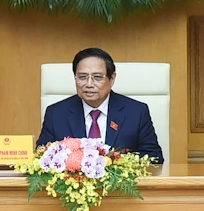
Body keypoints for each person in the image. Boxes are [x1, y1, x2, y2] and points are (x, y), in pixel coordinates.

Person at [36, 48, 164, 162]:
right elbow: (42, 157)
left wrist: (117, 166)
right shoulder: (56, 114)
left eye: (97, 77)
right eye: (82, 77)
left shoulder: (136, 112)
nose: (89, 84)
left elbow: (154, 158)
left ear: (112, 79)